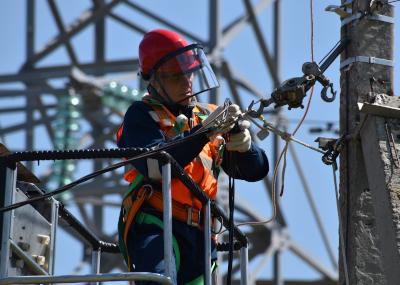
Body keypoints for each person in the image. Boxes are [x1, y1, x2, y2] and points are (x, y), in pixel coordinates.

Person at [116, 29, 269, 285]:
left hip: (200, 235)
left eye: (189, 74)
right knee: (158, 281)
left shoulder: (206, 116)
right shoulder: (141, 115)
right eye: (177, 76)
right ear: (155, 80)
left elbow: (255, 171)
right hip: (158, 222)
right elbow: (155, 167)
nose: (187, 82)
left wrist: (245, 147)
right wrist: (204, 133)